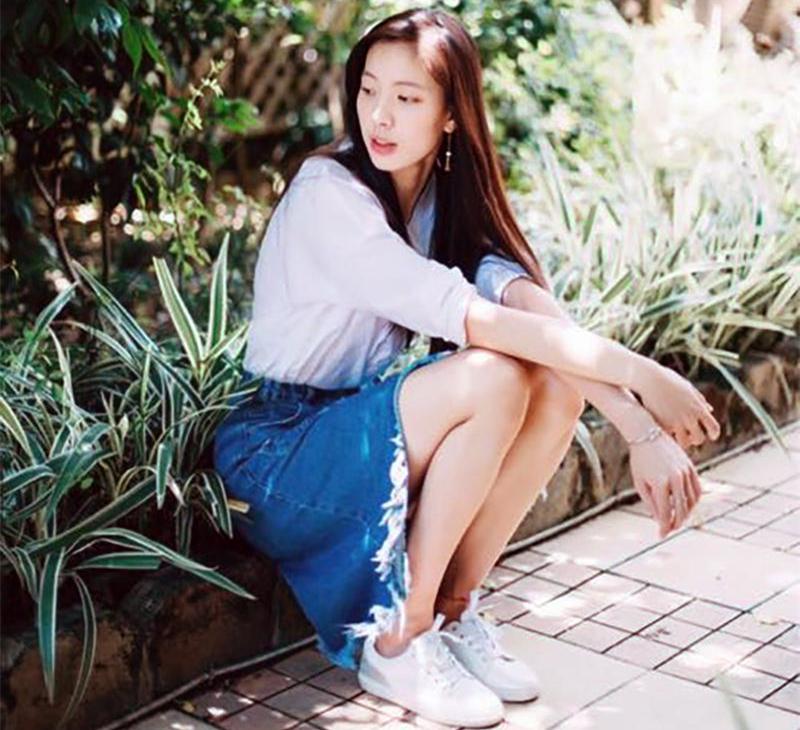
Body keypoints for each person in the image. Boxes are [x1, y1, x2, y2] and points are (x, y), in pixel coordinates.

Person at [214, 8, 721, 727]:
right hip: (277, 452)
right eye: (369, 90)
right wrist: (645, 378)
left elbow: (530, 311)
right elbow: (485, 327)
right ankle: (401, 636)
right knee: (494, 374)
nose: (379, 115)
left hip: (347, 428)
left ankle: (450, 610)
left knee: (550, 384)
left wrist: (637, 424)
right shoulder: (331, 195)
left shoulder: (436, 196)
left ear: (451, 114)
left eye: (407, 97)